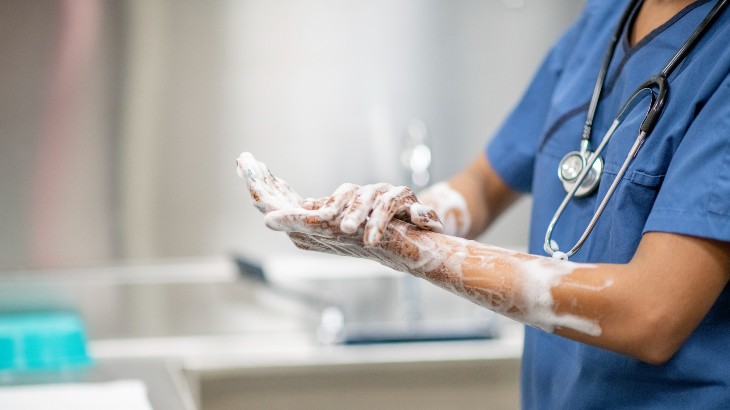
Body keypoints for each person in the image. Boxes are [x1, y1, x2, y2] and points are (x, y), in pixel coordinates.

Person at [237, 0, 730, 408]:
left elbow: (651, 314)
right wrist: (389, 213)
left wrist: (411, 250)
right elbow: (480, 188)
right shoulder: (606, 18)